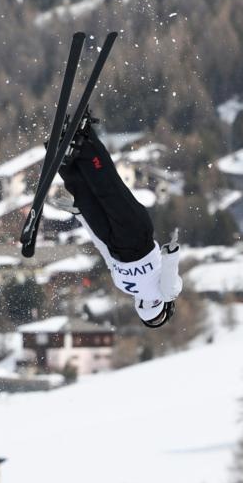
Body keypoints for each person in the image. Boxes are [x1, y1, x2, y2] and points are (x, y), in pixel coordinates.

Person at [57, 116, 182, 328]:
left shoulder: (163, 292)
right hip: (124, 242)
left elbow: (171, 286)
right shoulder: (127, 286)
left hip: (128, 240)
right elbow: (104, 250)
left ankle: (76, 147)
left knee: (100, 191)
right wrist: (82, 216)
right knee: (96, 192)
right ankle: (75, 151)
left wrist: (171, 255)